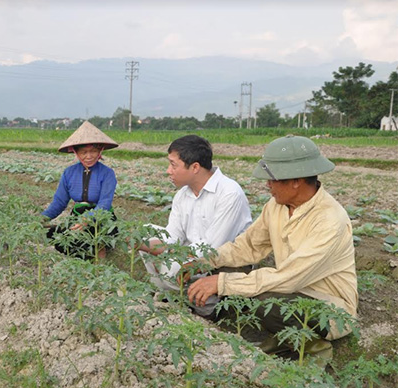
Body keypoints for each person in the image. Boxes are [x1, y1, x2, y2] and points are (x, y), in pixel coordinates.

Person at [187, 135, 357, 358]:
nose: (267, 185)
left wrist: (222, 283)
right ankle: (222, 325)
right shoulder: (277, 206)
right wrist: (203, 262)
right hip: (289, 288)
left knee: (264, 301)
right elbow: (247, 246)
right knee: (228, 275)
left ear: (295, 180)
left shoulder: (330, 221)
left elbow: (289, 278)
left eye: (272, 179)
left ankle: (309, 344)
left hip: (328, 305)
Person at [137, 135, 252, 316]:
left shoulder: (229, 193)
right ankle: (173, 297)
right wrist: (139, 242)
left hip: (222, 263)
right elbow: (172, 236)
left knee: (173, 266)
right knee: (144, 234)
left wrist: (172, 254)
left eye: (173, 165)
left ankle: (207, 309)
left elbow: (212, 249)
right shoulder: (183, 195)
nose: (168, 171)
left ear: (195, 167)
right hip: (192, 257)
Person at [42, 121, 118, 259]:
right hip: (77, 216)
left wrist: (87, 220)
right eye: (83, 152)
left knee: (96, 236)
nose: (89, 156)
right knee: (56, 235)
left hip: (101, 218)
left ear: (100, 151)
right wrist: (42, 218)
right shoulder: (69, 173)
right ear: (75, 152)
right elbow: (59, 202)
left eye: (93, 151)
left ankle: (100, 256)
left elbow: (104, 204)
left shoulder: (107, 173)